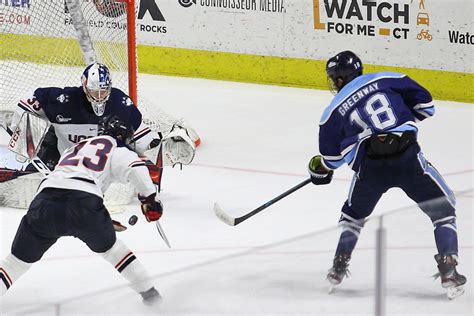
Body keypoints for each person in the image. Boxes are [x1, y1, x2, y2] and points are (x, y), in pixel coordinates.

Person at [307, 51, 466, 296]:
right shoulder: (388, 78)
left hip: (370, 168)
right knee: (443, 211)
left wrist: (320, 170)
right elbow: (426, 106)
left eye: (335, 78)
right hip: (406, 157)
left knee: (353, 217)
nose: (335, 82)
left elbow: (331, 159)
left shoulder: (331, 112)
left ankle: (337, 268)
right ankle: (448, 271)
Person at [0, 115, 163, 305]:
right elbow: (135, 169)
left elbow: (66, 188)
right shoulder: (117, 148)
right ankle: (151, 297)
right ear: (123, 136)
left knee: (14, 263)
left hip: (44, 202)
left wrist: (99, 216)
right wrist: (149, 198)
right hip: (85, 205)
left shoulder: (74, 148)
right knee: (114, 251)